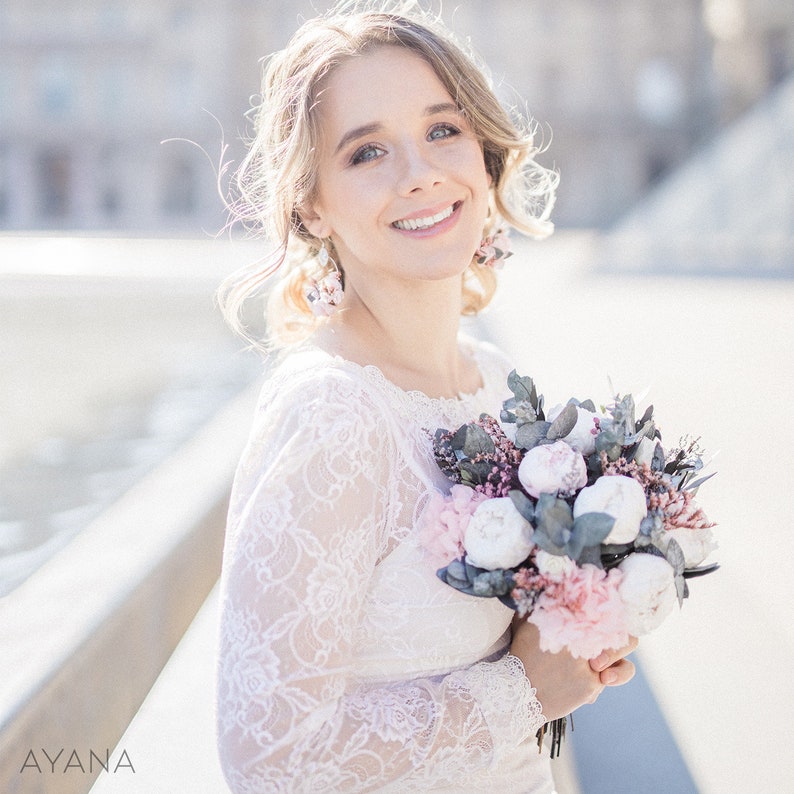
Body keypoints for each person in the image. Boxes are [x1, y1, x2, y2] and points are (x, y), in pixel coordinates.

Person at [215, 2, 637, 791]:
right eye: (367, 151)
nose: (420, 173)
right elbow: (268, 759)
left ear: (483, 154)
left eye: (443, 130)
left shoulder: (491, 382)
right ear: (311, 205)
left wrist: (582, 616)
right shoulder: (331, 415)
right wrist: (522, 690)